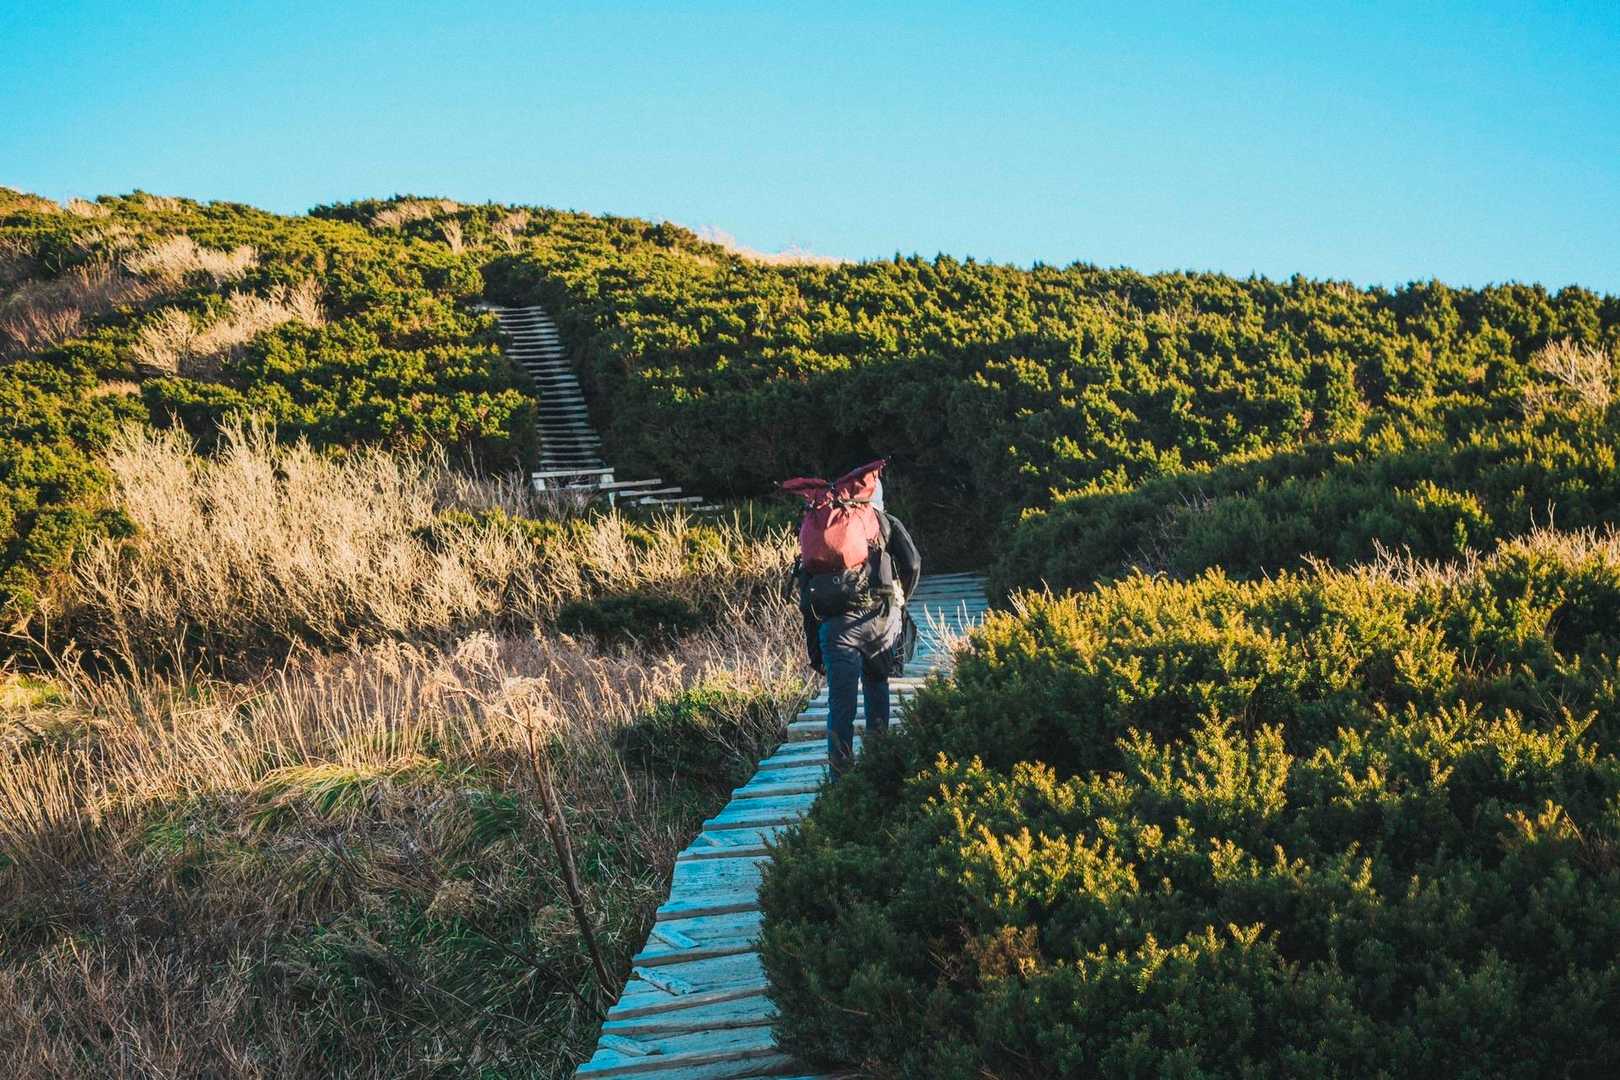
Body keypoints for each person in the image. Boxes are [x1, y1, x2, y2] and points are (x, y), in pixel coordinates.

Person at [795, 476, 921, 780]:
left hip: (835, 629)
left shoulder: (823, 528)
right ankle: (880, 766)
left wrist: (815, 651)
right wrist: (900, 598)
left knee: (841, 705)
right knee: (877, 686)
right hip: (878, 621)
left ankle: (840, 781)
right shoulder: (884, 522)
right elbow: (913, 564)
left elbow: (807, 599)